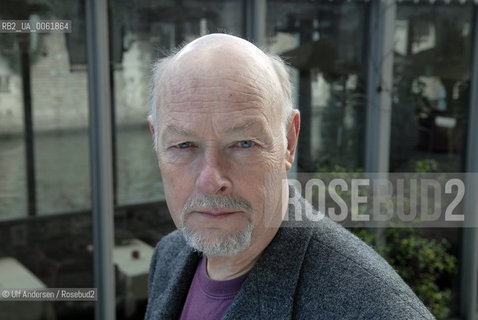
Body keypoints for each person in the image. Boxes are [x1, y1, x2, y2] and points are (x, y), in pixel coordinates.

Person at [145, 33, 434, 320]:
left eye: (244, 143)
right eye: (184, 145)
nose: (210, 180)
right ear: (156, 141)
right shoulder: (169, 255)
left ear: (290, 140)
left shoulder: (377, 310)